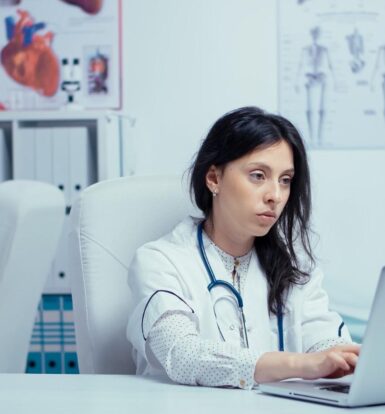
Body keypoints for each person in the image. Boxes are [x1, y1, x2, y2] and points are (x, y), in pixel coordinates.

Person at [126, 106, 359, 389]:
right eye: (258, 175)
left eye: (285, 180)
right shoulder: (160, 261)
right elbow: (183, 355)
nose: (275, 195)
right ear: (214, 178)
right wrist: (300, 365)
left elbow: (322, 336)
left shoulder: (294, 265)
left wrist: (343, 357)